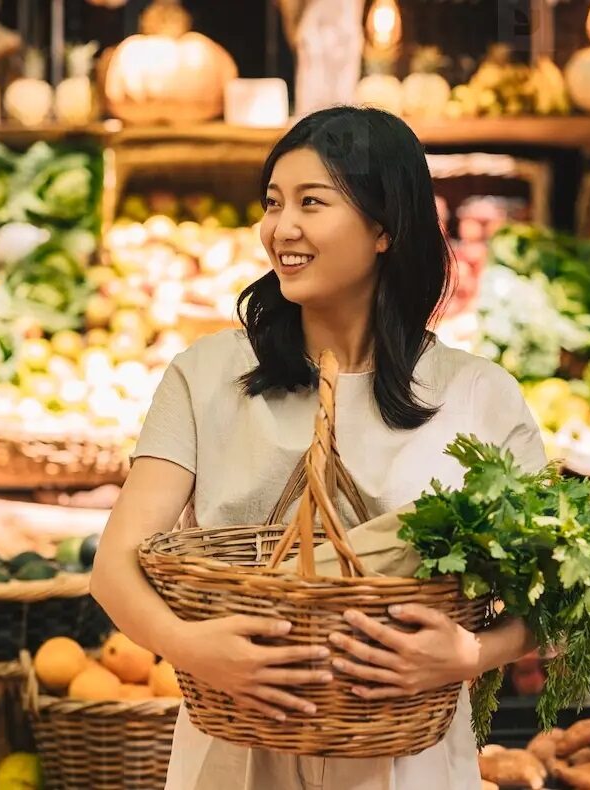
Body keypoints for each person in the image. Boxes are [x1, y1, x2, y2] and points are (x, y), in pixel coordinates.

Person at [90, 105, 547, 790]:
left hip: (407, 760)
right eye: (273, 203)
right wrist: (190, 646)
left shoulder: (476, 395)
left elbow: (561, 593)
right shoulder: (207, 375)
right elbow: (114, 567)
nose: (282, 228)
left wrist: (470, 653)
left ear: (385, 227)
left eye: (312, 202)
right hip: (235, 751)